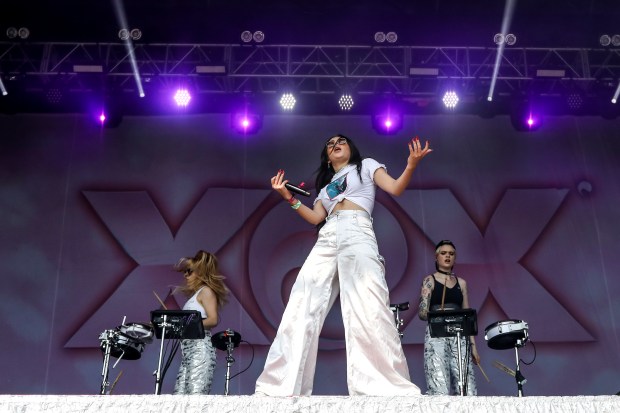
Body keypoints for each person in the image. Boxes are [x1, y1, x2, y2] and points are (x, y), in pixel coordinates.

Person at [255, 134, 432, 396]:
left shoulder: (367, 165)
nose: (335, 144)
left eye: (342, 141)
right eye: (329, 143)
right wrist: (287, 197)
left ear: (351, 148)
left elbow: (395, 188)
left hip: (357, 230)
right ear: (327, 156)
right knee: (301, 302)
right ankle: (280, 388)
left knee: (368, 304)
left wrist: (411, 165)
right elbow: (316, 216)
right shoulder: (326, 189)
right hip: (327, 236)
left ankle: (380, 388)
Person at [417, 240, 480, 395]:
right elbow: (422, 313)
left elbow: (467, 316)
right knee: (438, 383)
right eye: (443, 253)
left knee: (467, 387)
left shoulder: (462, 283)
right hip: (437, 334)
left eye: (451, 254)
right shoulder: (429, 280)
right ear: (436, 257)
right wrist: (439, 313)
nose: (447, 256)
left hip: (459, 336)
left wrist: (473, 347)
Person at [173, 250, 229, 395]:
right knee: (178, 398)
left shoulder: (206, 291)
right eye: (185, 272)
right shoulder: (195, 295)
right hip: (187, 354)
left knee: (194, 398)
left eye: (189, 271)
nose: (186, 275)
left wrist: (187, 325)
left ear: (200, 272)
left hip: (199, 350)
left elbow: (213, 319)